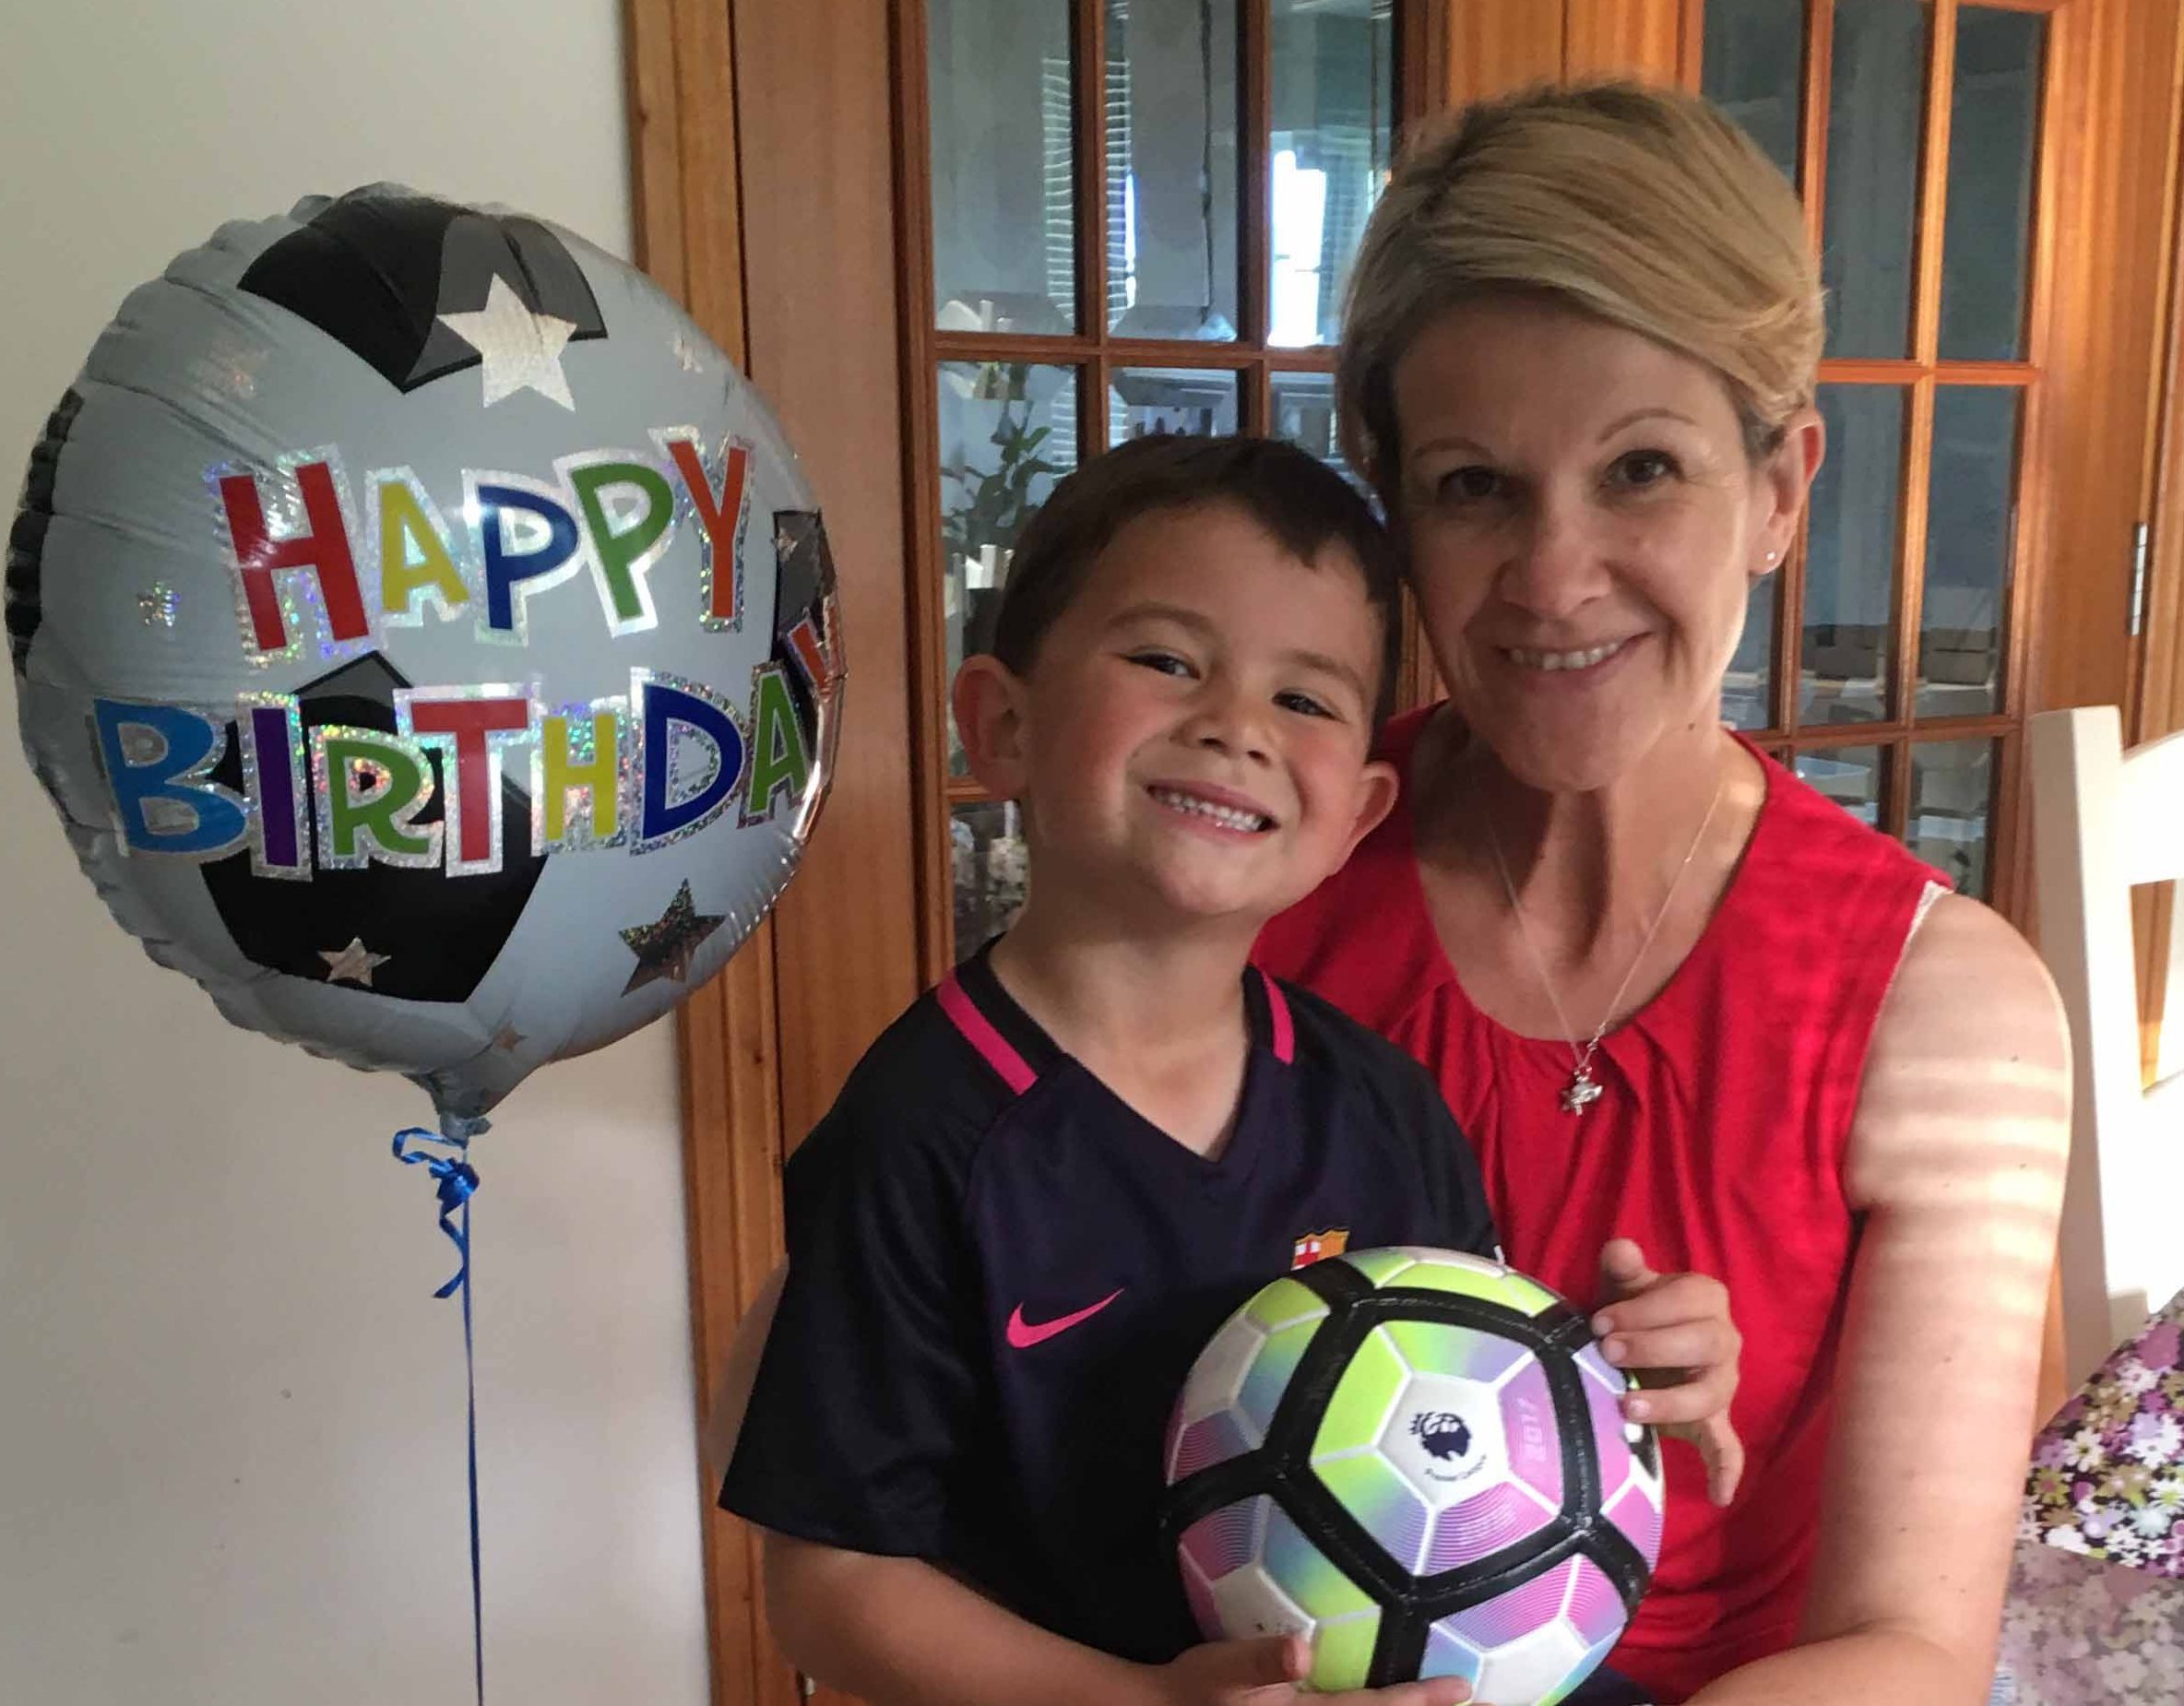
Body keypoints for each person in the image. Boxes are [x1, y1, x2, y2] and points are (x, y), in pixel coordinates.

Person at [1255, 82, 2071, 1706]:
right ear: (1397, 508)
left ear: (1779, 491)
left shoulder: (1944, 1003)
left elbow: (1909, 1650)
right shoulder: (1268, 885)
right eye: (1477, 486)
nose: (1557, 579)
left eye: (1641, 470)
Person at [718, 434, 1739, 1706]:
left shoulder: (1379, 1101)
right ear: (1005, 726)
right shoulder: (920, 1134)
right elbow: (832, 1589)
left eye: (1303, 699)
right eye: (1166, 660)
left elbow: (1468, 1413)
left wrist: (1623, 1367)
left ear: (1356, 813)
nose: (1234, 727)